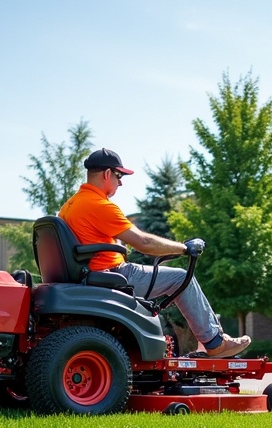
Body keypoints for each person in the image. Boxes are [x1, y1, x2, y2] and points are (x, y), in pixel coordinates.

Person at [59, 148, 251, 359]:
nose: (120, 183)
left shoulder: (69, 206)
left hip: (90, 276)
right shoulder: (99, 205)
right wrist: (185, 248)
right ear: (106, 174)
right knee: (180, 277)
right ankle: (215, 342)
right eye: (119, 176)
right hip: (116, 276)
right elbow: (144, 242)